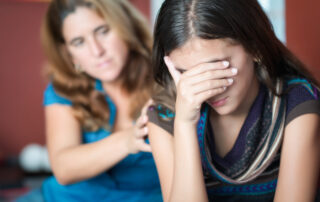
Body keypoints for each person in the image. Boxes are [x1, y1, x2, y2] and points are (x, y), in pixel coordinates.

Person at [147, 0, 320, 201]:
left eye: (217, 67)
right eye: (188, 75)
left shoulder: (298, 104)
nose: (207, 89)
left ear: (255, 47)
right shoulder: (166, 115)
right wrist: (184, 124)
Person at [18, 0, 162, 201]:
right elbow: (63, 168)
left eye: (103, 30)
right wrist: (129, 139)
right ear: (69, 54)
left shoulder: (164, 77)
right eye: (79, 42)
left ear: (125, 25)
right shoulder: (62, 90)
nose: (97, 50)